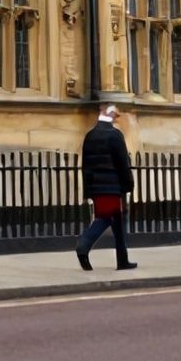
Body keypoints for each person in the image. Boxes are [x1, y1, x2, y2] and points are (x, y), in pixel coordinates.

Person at [75, 103, 136, 272]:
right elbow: (123, 164)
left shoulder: (90, 136)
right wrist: (128, 184)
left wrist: (88, 190)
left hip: (96, 186)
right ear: (112, 117)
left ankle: (122, 260)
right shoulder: (115, 135)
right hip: (112, 187)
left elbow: (85, 166)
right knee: (106, 218)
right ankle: (84, 243)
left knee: (117, 222)